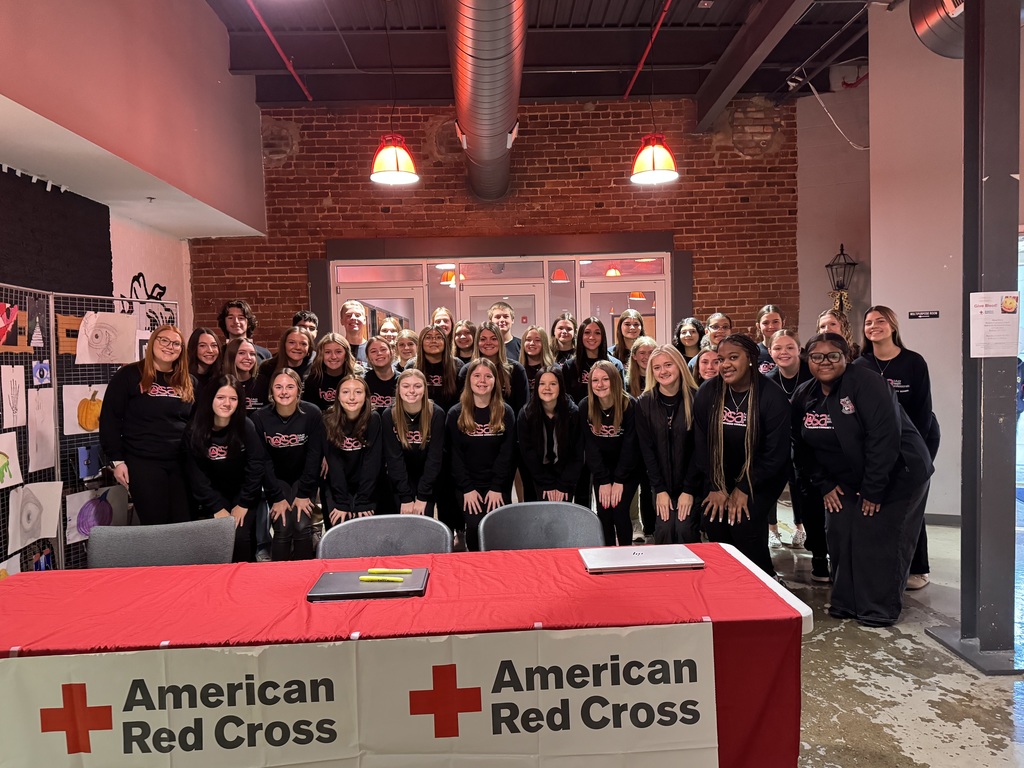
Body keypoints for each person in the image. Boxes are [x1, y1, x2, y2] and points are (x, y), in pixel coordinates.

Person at [791, 333, 933, 626]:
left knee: (878, 538)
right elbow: (800, 445)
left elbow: (884, 439)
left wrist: (873, 490)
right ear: (808, 359)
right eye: (817, 356)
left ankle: (877, 609)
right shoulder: (805, 394)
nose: (824, 362)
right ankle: (846, 603)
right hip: (845, 477)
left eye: (834, 355)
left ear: (847, 358)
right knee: (840, 533)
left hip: (898, 473)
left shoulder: (868, 384)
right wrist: (825, 483)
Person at [854, 305, 940, 591]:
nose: (874, 326)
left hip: (913, 444)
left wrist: (915, 453)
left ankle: (919, 568)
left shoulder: (914, 362)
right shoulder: (860, 365)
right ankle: (888, 565)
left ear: (892, 326)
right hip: (877, 446)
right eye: (868, 322)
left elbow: (923, 411)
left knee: (911, 507)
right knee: (884, 505)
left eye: (880, 321)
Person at [693, 334, 791, 576]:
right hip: (719, 475)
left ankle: (763, 581)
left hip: (762, 475)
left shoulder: (772, 396)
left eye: (733, 358)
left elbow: (775, 453)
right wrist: (716, 486)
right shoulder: (708, 392)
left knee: (744, 523)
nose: (725, 364)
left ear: (750, 359)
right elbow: (700, 444)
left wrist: (744, 487)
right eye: (721, 359)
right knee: (713, 521)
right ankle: (727, 581)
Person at [99, 324, 195, 526]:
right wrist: (117, 460)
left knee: (184, 523)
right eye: (164, 340)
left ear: (182, 350)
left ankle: (183, 560)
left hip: (180, 464)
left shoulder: (188, 381)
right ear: (152, 343)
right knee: (156, 524)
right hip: (143, 462)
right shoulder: (129, 375)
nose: (169, 346)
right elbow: (110, 418)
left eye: (176, 343)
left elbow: (195, 423)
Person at [184, 375, 266, 562]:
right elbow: (196, 474)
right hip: (212, 493)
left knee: (240, 538)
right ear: (210, 398)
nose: (227, 403)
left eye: (233, 398)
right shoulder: (194, 429)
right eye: (221, 397)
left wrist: (244, 503)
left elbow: (256, 466)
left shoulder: (246, 426)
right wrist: (216, 507)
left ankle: (243, 581)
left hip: (242, 492)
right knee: (216, 539)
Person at [251, 369, 323, 561]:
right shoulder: (259, 418)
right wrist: (276, 496)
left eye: (290, 386)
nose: (284, 392)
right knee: (282, 525)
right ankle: (279, 577)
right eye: (278, 387)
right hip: (276, 478)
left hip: (303, 477)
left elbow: (314, 456)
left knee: (301, 525)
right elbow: (263, 460)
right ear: (271, 392)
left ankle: (305, 575)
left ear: (299, 390)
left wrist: (304, 494)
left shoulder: (312, 413)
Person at [446, 358, 515, 551]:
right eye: (477, 376)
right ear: (469, 380)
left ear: (496, 380)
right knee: (475, 526)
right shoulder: (455, 414)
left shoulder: (505, 412)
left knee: (497, 528)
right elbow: (455, 456)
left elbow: (507, 454)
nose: (482, 381)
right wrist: (467, 489)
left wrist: (496, 487)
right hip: (468, 486)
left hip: (497, 484)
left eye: (488, 376)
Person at [636, 345, 701, 545]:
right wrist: (660, 490)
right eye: (656, 367)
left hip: (692, 483)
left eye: (668, 365)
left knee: (683, 529)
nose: (663, 371)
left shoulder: (696, 398)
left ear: (679, 365)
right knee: (664, 528)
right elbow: (647, 451)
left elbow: (700, 450)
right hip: (660, 483)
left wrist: (688, 491)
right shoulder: (644, 402)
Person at [764, 329, 817, 557]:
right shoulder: (768, 381)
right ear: (770, 351)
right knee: (770, 483)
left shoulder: (811, 375)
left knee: (800, 485)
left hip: (807, 440)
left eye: (789, 347)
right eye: (777, 348)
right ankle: (772, 529)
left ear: (799, 349)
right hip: (777, 439)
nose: (783, 352)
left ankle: (800, 528)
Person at [580, 360, 641, 546]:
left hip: (628, 469)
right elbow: (590, 447)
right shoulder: (585, 406)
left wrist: (619, 480)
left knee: (620, 509)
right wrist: (604, 480)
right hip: (602, 469)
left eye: (605, 379)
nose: (600, 384)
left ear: (615, 380)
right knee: (604, 511)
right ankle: (606, 555)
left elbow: (631, 446)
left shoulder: (629, 405)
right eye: (595, 380)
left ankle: (625, 555)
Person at [382, 370, 446, 517]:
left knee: (424, 518)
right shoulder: (389, 415)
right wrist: (406, 497)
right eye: (406, 386)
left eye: (417, 386)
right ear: (398, 389)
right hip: (401, 477)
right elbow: (394, 458)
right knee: (402, 520)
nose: (411, 391)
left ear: (425, 389)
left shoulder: (436, 414)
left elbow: (435, 458)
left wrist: (422, 496)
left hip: (428, 476)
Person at [517, 366, 584, 502]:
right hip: (537, 476)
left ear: (561, 386)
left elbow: (577, 453)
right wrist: (546, 483)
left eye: (553, 384)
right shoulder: (525, 414)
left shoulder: (573, 413)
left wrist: (563, 485)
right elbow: (527, 453)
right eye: (542, 384)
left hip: (565, 476)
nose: (547, 388)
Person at [323, 375, 380, 526]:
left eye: (358, 392)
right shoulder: (329, 419)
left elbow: (372, 462)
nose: (352, 397)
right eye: (346, 392)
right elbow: (333, 463)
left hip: (367, 487)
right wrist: (342, 502)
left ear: (367, 396)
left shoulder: (374, 419)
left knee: (365, 528)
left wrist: (363, 500)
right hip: (337, 486)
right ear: (338, 396)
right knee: (340, 525)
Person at [458, 322, 530, 416]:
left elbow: (523, 410)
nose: (488, 342)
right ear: (477, 343)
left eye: (493, 339)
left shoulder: (516, 370)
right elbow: (461, 406)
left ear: (500, 341)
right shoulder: (466, 371)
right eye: (483, 339)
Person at [561, 316, 625, 404]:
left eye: (597, 333)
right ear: (580, 336)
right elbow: (566, 400)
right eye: (587, 332)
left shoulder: (615, 365)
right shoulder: (569, 366)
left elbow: (621, 398)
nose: (592, 337)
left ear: (603, 336)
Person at [412, 324, 464, 412]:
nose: (433, 341)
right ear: (421, 342)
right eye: (428, 337)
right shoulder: (412, 366)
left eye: (438, 337)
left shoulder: (457, 365)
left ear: (445, 342)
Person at [302, 333, 355, 413]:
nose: (333, 356)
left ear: (346, 354)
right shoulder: (312, 380)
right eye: (327, 352)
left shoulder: (356, 379)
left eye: (338, 352)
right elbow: (310, 414)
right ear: (321, 355)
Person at [222, 337, 267, 413]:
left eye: (252, 354)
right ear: (231, 355)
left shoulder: (263, 382)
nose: (248, 357)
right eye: (242, 353)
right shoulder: (219, 383)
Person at [364, 335, 400, 412]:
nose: (379, 353)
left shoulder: (402, 380)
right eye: (373, 351)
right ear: (368, 357)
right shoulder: (363, 382)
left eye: (383, 349)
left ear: (391, 352)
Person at [186, 327, 222, 395]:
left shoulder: (221, 377)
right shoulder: (184, 377)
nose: (210, 350)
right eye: (202, 346)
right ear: (194, 348)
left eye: (214, 345)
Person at [519, 325, 554, 392]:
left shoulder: (554, 369)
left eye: (537, 340)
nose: (532, 343)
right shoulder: (517, 369)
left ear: (544, 344)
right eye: (528, 340)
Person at [754, 305, 784, 374]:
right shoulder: (754, 352)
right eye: (765, 323)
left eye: (775, 322)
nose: (771, 326)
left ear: (783, 323)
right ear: (758, 326)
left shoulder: (792, 351)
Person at [340, 300, 369, 364]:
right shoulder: (337, 349)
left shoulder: (371, 349)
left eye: (357, 315)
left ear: (364, 320)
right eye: (348, 315)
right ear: (341, 321)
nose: (353, 318)